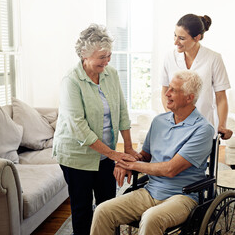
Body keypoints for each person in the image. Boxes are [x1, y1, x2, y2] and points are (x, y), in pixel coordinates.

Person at [90, 70, 215, 235]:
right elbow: (144, 156)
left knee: (151, 218)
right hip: (150, 191)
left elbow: (170, 169)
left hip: (182, 197)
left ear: (189, 97)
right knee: (103, 210)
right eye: (168, 88)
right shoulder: (159, 121)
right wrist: (125, 162)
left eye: (174, 90)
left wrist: (134, 164)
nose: (167, 94)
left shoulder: (203, 129)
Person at [53, 24, 139, 235]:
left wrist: (127, 147)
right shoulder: (71, 81)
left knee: (108, 206)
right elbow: (79, 128)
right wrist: (113, 154)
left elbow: (121, 110)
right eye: (102, 57)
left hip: (105, 155)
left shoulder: (111, 74)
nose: (107, 61)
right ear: (85, 55)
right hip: (76, 156)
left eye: (109, 55)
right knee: (82, 209)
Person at [161, 13, 233, 140]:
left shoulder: (213, 58)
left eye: (182, 38)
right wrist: (171, 117)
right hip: (176, 127)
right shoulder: (169, 57)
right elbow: (164, 91)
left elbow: (221, 97)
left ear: (197, 37)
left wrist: (222, 125)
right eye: (175, 35)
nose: (175, 42)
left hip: (203, 126)